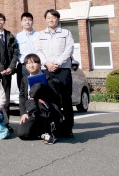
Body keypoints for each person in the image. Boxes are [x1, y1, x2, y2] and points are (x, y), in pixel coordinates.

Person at [34, 9, 75, 138]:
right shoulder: (40, 35)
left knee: (66, 100)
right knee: (50, 100)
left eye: (53, 17)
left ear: (58, 19)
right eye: (48, 18)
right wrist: (46, 63)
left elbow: (69, 49)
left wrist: (57, 63)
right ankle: (54, 128)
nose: (51, 20)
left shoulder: (66, 33)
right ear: (45, 19)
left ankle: (68, 128)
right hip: (47, 70)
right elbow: (38, 51)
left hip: (62, 69)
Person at [17, 54, 62, 144]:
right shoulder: (25, 79)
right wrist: (23, 113)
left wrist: (45, 99)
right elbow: (22, 97)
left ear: (40, 64)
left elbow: (56, 97)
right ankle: (42, 134)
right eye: (28, 63)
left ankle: (50, 130)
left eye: (34, 62)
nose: (31, 65)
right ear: (25, 66)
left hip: (45, 110)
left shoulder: (48, 78)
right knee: (22, 134)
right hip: (31, 110)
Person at [15, 12, 38, 92]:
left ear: (32, 21)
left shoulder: (38, 35)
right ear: (21, 22)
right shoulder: (17, 36)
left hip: (36, 67)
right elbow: (15, 52)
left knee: (36, 90)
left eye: (29, 20)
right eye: (25, 20)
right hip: (23, 67)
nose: (27, 22)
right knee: (23, 90)